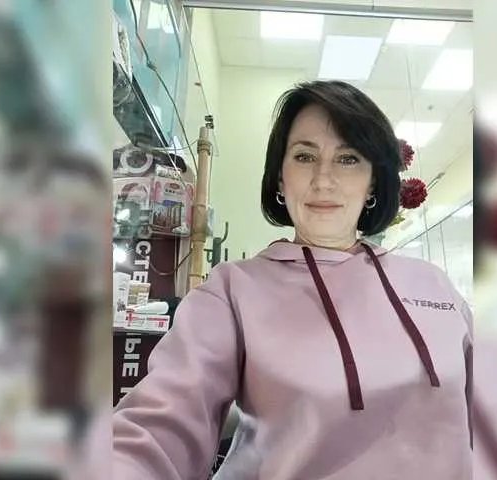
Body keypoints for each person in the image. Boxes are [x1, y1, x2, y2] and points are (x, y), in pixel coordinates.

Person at [113, 80, 473, 479]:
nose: (324, 179)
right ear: (280, 178)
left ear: (373, 180)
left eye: (348, 158)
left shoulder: (432, 285)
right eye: (304, 156)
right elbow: (162, 422)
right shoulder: (232, 291)